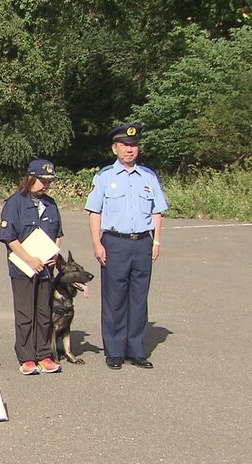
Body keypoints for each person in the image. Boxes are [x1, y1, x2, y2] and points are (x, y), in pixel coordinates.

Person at [85, 123, 168, 370]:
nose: (129, 150)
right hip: (115, 243)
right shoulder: (104, 177)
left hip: (142, 242)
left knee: (139, 298)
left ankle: (137, 350)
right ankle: (115, 350)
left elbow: (157, 212)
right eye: (124, 145)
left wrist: (156, 240)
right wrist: (96, 243)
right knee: (115, 299)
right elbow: (94, 211)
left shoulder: (149, 177)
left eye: (133, 145)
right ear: (115, 148)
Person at [0, 159, 64, 375]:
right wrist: (29, 259)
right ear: (30, 178)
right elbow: (9, 238)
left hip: (46, 268)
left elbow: (58, 234)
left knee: (44, 312)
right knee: (25, 312)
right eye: (42, 181)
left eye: (49, 182)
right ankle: (27, 356)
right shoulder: (15, 203)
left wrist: (55, 253)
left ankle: (44, 354)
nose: (45, 185)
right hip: (23, 268)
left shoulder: (51, 204)